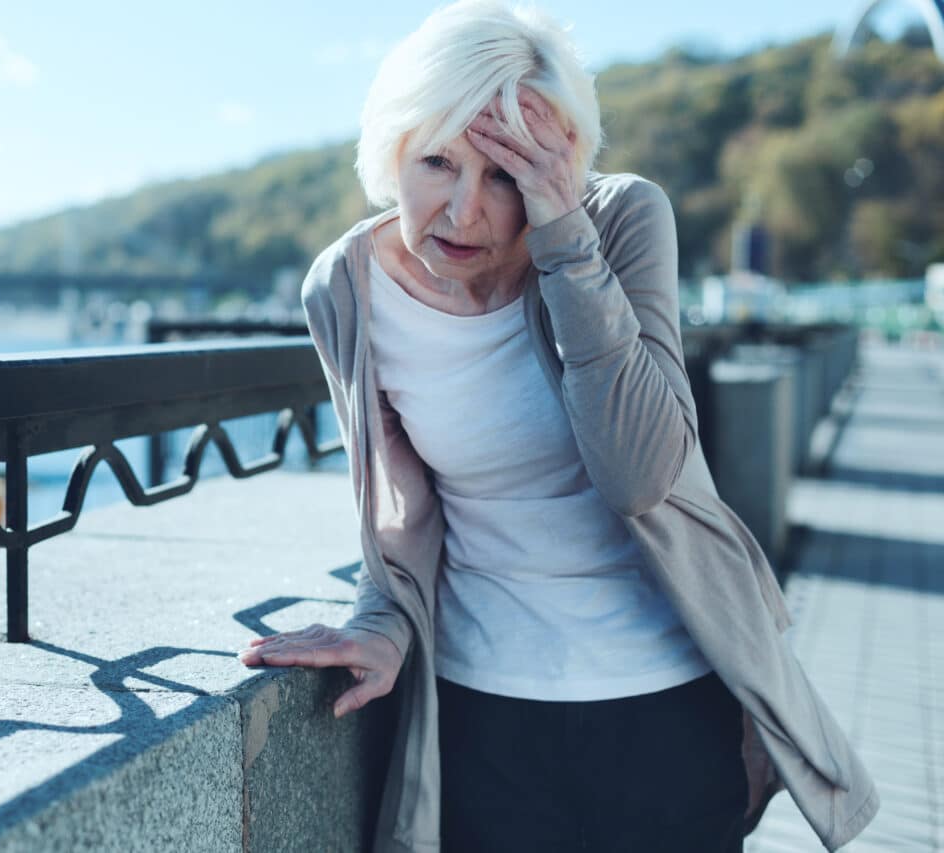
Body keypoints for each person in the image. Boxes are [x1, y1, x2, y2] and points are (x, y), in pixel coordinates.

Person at [238, 2, 878, 851]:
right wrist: (380, 622)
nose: (464, 210)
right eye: (436, 161)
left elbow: (640, 472)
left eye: (504, 174)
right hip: (484, 718)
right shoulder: (346, 289)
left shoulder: (621, 222)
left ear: (561, 164)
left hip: (667, 707)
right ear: (390, 150)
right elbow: (399, 506)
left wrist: (566, 238)